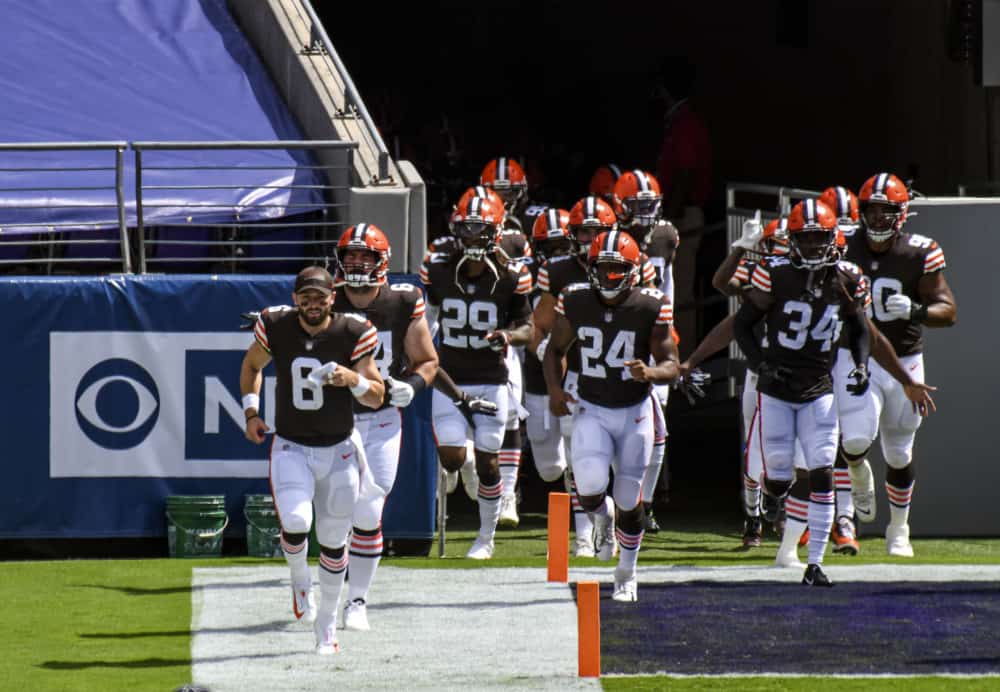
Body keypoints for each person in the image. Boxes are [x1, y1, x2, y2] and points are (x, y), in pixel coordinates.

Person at [239, 266, 385, 654]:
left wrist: (352, 380)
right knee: (297, 521)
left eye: (320, 297)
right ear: (295, 298)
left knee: (336, 541)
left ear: (332, 297)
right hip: (291, 445)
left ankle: (327, 627)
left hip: (339, 450)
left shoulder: (353, 331)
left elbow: (377, 395)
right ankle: (300, 581)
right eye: (306, 297)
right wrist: (251, 413)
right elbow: (252, 365)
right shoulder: (276, 325)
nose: (313, 304)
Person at [733, 199, 871, 587]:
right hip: (776, 389)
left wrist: (860, 366)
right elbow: (743, 325)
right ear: (792, 240)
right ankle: (776, 502)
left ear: (833, 238)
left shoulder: (847, 277)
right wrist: (760, 361)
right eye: (806, 239)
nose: (813, 247)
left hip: (819, 390)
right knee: (777, 478)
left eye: (820, 238)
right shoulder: (773, 273)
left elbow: (860, 329)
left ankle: (815, 564)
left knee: (823, 470)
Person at [544, 230, 679, 602]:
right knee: (587, 485)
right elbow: (554, 351)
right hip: (592, 406)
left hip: (635, 411)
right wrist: (555, 390)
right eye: (601, 268)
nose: (607, 277)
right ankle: (602, 522)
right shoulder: (575, 300)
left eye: (616, 269)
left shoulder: (651, 305)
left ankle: (627, 573)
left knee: (628, 497)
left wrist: (650, 373)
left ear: (633, 271)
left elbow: (672, 363)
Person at [836, 172, 956, 557]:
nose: (876, 219)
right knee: (854, 439)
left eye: (885, 212)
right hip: (857, 355)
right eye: (871, 210)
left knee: (899, 452)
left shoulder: (919, 252)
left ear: (902, 214)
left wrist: (918, 310)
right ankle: (856, 471)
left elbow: (948, 310)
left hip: (905, 355)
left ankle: (898, 530)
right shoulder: (842, 246)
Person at [325, 224, 439, 632]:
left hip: (383, 417)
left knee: (370, 508)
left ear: (381, 262)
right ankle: (326, 590)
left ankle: (357, 600)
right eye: (350, 256)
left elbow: (427, 360)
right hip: (335, 417)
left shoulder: (403, 299)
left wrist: (412, 385)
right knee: (335, 512)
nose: (356, 264)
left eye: (364, 257)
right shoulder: (327, 298)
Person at [420, 192, 534, 559]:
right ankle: (465, 464)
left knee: (490, 464)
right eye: (465, 230)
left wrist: (508, 336)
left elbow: (529, 329)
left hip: (491, 378)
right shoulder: (437, 269)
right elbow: (429, 318)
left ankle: (485, 538)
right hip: (450, 376)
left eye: (479, 230)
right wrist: (423, 349)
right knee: (452, 457)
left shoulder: (511, 276)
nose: (471, 237)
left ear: (496, 232)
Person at [531, 195, 617, 557]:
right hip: (580, 376)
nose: (590, 239)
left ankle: (615, 526)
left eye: (598, 232)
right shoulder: (560, 269)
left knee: (625, 466)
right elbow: (542, 323)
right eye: (584, 232)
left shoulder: (634, 263)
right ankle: (584, 534)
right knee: (579, 459)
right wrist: (545, 351)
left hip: (622, 378)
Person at [612, 169, 681, 530]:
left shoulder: (665, 235)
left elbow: (668, 287)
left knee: (655, 429)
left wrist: (669, 333)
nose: (643, 214)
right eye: (636, 206)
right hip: (619, 339)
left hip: (654, 338)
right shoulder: (610, 239)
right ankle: (622, 500)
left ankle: (644, 503)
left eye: (648, 206)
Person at [652, 56, 711, 352]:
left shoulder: (685, 122)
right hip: (679, 215)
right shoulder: (678, 120)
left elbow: (686, 173)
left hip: (683, 216)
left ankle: (682, 358)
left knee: (680, 291)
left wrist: (670, 216)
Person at [523, 208, 574, 499]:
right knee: (549, 468)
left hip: (578, 367)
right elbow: (520, 322)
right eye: (549, 247)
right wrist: (542, 348)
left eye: (562, 246)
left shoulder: (586, 270)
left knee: (578, 447)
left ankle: (584, 516)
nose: (556, 254)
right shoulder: (526, 273)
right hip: (538, 370)